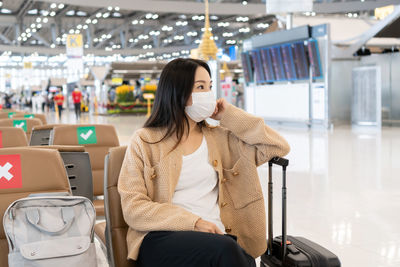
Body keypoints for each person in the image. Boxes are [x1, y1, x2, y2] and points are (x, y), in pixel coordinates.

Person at [118, 58, 290, 267]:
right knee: (227, 252)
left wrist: (229, 115)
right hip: (162, 237)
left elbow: (276, 146)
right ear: (177, 92)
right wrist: (194, 223)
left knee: (239, 256)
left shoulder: (221, 138)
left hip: (220, 238)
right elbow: (133, 208)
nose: (208, 94)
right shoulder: (145, 141)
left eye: (210, 87)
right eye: (200, 87)